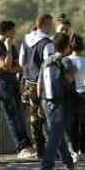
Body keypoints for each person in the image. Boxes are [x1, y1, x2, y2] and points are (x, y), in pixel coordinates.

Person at [0, 21, 34, 159]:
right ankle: (22, 147)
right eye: (13, 30)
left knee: (19, 114)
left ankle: (27, 145)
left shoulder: (12, 46)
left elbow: (19, 67)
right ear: (7, 31)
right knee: (12, 115)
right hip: (1, 84)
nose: (15, 32)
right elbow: (5, 65)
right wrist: (7, 51)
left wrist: (8, 67)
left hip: (12, 83)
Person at [38, 32, 77, 170]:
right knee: (55, 137)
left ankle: (68, 164)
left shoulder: (47, 61)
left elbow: (39, 83)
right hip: (60, 102)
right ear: (67, 46)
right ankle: (46, 169)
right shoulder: (66, 61)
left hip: (46, 100)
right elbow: (70, 80)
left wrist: (39, 103)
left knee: (57, 133)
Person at [19, 14, 55, 158]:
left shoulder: (26, 41)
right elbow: (49, 66)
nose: (51, 27)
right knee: (49, 117)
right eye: (50, 24)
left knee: (34, 118)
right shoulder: (47, 43)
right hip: (43, 85)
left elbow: (21, 62)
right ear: (45, 24)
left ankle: (40, 150)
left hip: (28, 84)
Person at [67, 33, 85, 161]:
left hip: (72, 96)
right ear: (82, 47)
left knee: (73, 124)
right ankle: (83, 150)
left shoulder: (67, 60)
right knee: (84, 124)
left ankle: (74, 150)